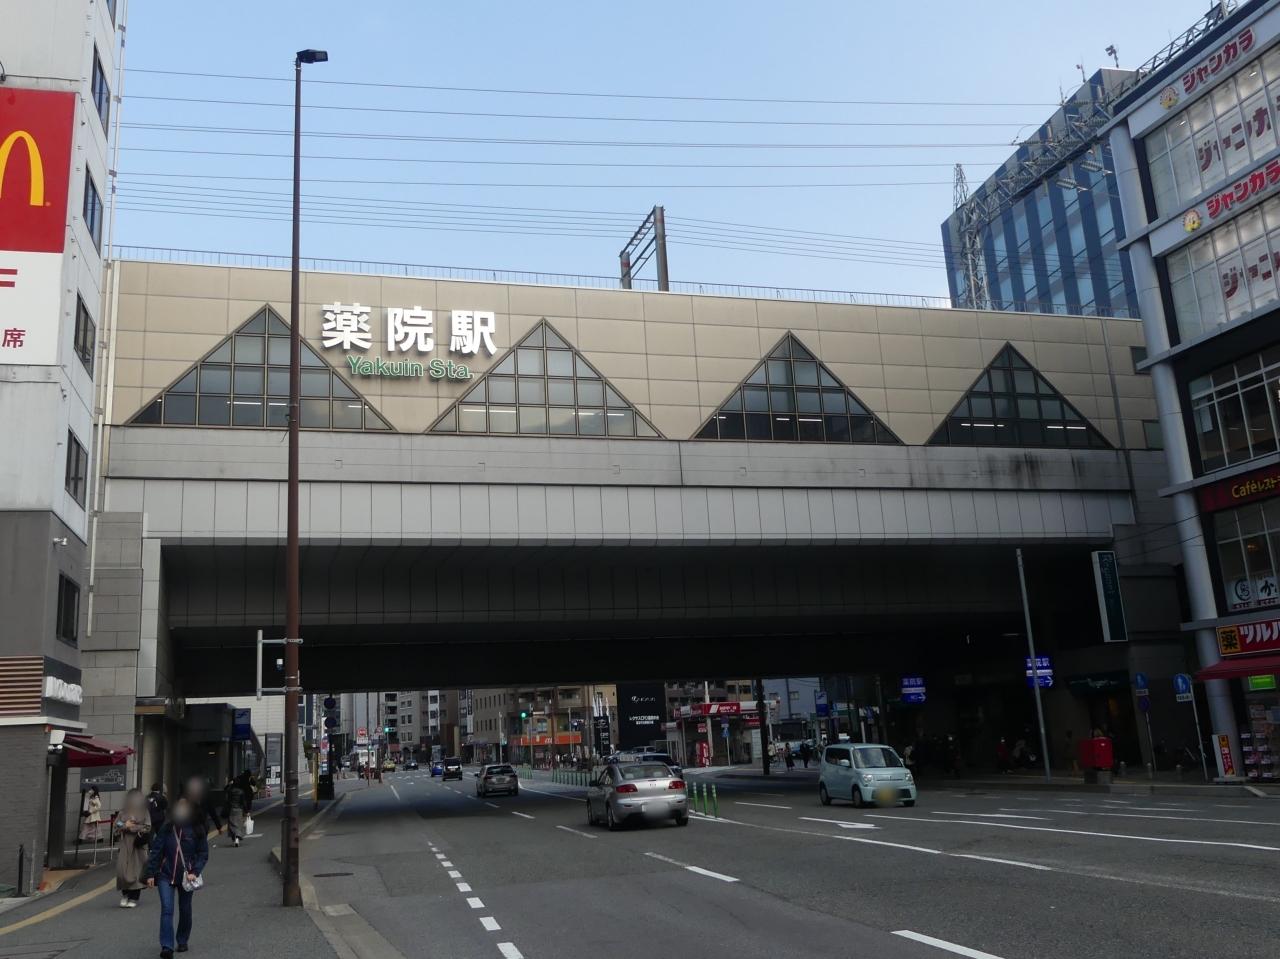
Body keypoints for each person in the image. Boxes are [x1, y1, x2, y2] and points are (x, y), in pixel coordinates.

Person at [145, 798, 209, 959]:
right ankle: (167, 946)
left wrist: (195, 871)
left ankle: (182, 939)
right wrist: (150, 873)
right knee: (167, 909)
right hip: (165, 875)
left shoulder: (197, 829)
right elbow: (156, 850)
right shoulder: (167, 828)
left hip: (187, 877)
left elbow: (203, 854)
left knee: (185, 909)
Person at [115, 788, 152, 907]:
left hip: (138, 844)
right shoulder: (123, 812)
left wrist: (133, 828)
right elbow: (117, 824)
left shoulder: (144, 811)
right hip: (125, 844)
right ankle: (125, 894)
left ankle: (134, 897)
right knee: (122, 870)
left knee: (137, 870)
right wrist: (124, 825)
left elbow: (147, 827)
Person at [222, 774, 252, 847]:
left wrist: (229, 784)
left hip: (231, 809)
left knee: (232, 825)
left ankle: (234, 839)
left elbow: (225, 789)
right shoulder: (241, 791)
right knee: (238, 825)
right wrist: (247, 811)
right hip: (239, 809)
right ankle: (237, 838)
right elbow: (243, 802)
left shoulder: (230, 791)